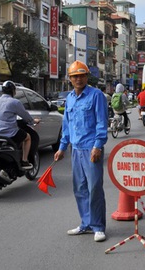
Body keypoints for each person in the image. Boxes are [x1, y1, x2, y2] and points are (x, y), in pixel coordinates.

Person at [54, 61, 109, 242]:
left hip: (91, 149)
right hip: (75, 149)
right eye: (75, 76)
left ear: (87, 77)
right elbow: (67, 125)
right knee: (80, 189)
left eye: (81, 75)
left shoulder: (96, 95)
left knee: (94, 188)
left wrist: (97, 146)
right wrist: (62, 147)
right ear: (70, 79)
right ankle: (85, 223)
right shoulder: (69, 98)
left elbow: (102, 123)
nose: (78, 79)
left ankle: (98, 226)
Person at [0, 80, 39, 171]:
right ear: (13, 91)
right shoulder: (15, 102)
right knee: (27, 137)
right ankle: (24, 160)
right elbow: (25, 116)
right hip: (11, 133)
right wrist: (33, 121)